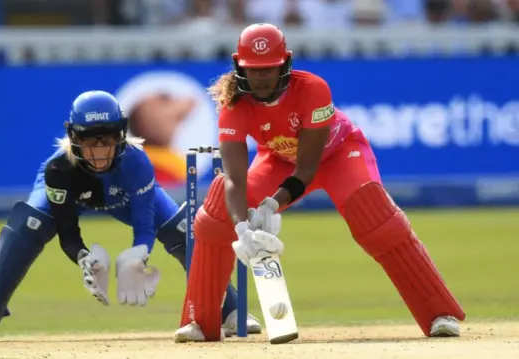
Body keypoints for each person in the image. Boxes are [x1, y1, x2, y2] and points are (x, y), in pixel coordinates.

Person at [174, 23, 466, 343]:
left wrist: (271, 206)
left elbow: (306, 171)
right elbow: (234, 178)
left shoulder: (313, 88)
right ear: (238, 66)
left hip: (340, 155)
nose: (261, 77)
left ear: (284, 64)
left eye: (269, 69)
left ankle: (440, 314)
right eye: (253, 70)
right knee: (217, 212)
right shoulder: (234, 105)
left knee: (376, 219)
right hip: (277, 161)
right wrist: (243, 227)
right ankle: (200, 321)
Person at [0, 90, 261, 343]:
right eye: (90, 140)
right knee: (27, 225)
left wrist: (137, 257)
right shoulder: (59, 170)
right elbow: (67, 230)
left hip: (123, 197)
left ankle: (229, 309)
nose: (100, 150)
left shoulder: (136, 162)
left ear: (122, 135)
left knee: (184, 231)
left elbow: (145, 223)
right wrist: (83, 258)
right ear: (73, 136)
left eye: (107, 139)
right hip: (74, 198)